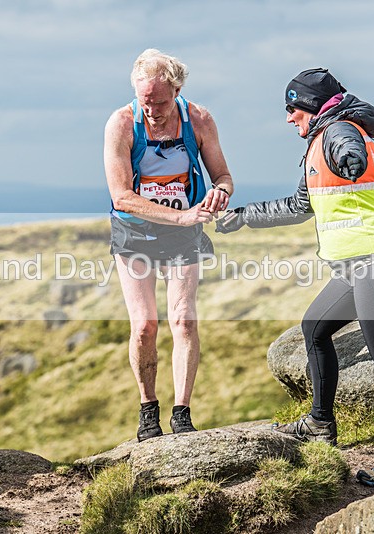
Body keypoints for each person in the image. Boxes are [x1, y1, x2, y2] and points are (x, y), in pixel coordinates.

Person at [216, 68, 374, 487]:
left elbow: (350, 148)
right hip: (356, 264)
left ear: (311, 107)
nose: (289, 117)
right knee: (315, 328)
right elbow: (298, 204)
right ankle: (319, 424)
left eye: (292, 108)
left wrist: (352, 158)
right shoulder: (318, 143)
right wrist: (241, 218)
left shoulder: (339, 131)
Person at [105, 49, 234, 442]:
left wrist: (219, 194)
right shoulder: (122, 124)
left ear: (177, 90)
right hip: (135, 232)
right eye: (146, 102)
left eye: (161, 102)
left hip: (183, 234)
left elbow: (223, 176)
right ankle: (148, 410)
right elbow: (121, 196)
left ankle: (182, 412)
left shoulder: (199, 120)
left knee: (183, 319)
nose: (153, 111)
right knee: (145, 326)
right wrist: (177, 215)